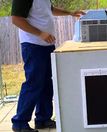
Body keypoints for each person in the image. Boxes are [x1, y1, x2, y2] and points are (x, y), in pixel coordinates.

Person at [11, 0, 85, 132]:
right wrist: (40, 33)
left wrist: (70, 13)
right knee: (33, 83)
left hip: (46, 45)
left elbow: (49, 9)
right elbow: (16, 19)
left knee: (46, 83)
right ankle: (19, 122)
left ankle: (43, 119)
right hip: (33, 45)